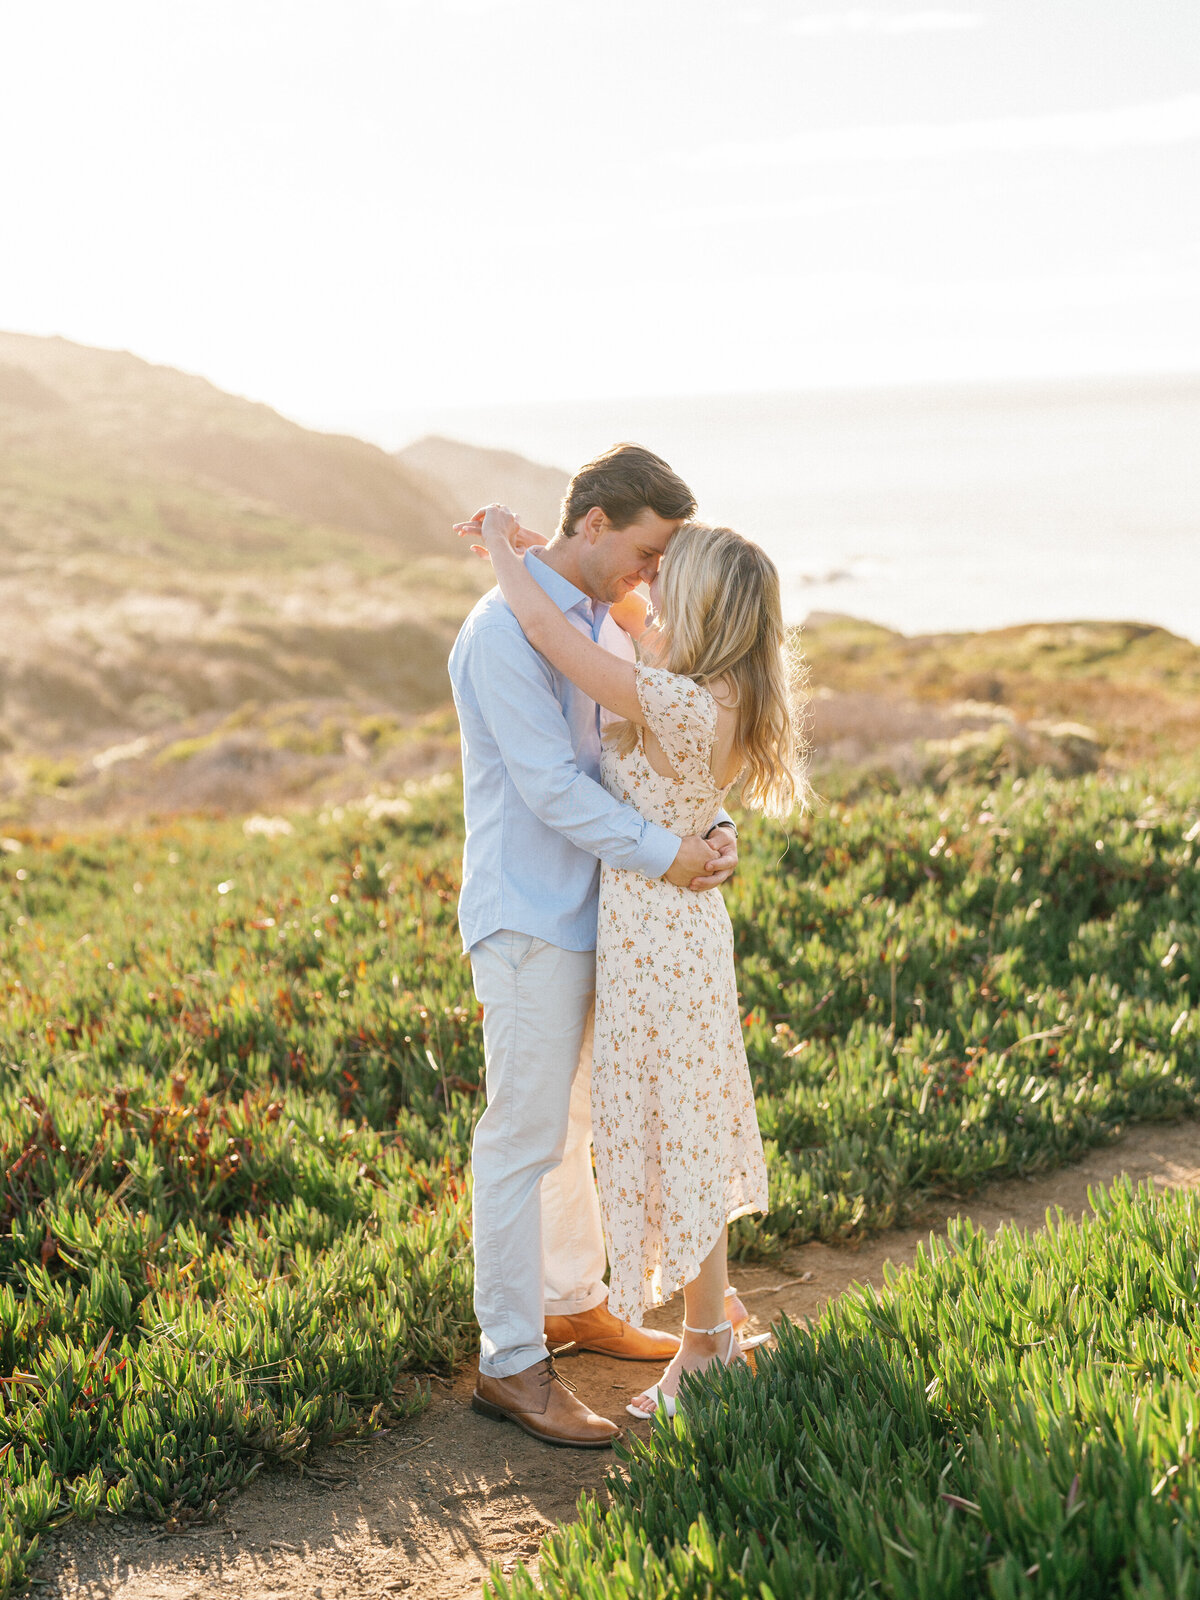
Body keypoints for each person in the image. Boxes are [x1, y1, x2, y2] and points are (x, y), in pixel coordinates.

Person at [469, 504, 806, 1420]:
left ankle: (702, 1351)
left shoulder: (674, 697)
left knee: (676, 1136)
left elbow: (543, 628)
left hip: (659, 934)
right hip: (669, 930)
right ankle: (714, 1326)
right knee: (680, 1128)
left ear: (702, 601)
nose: (649, 584)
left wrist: (502, 547)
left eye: (668, 573)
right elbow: (630, 628)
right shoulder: (718, 686)